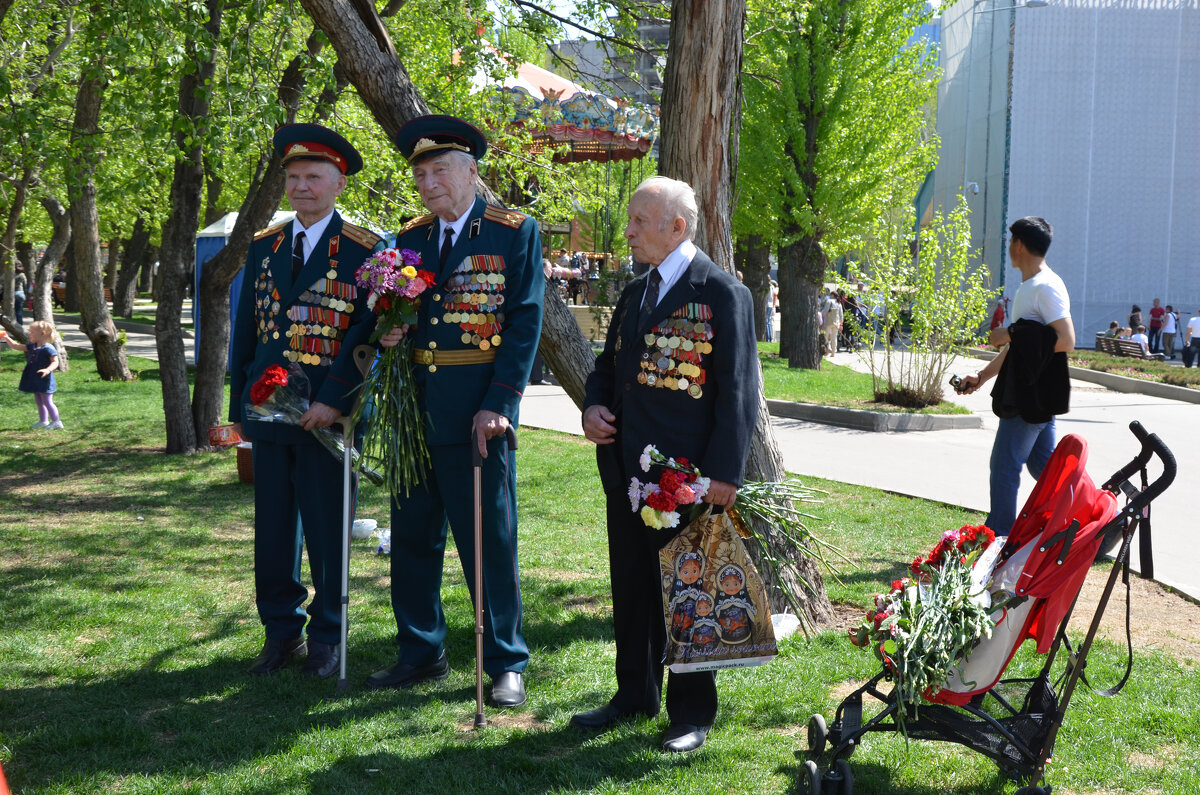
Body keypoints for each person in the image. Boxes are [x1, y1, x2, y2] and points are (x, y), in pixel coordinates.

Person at [575, 176, 758, 753]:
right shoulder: (635, 292)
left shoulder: (722, 293)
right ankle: (634, 694)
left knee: (688, 592)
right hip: (628, 472)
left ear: (677, 227)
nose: (627, 230)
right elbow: (608, 367)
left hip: (688, 479)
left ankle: (691, 714)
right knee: (630, 587)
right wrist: (593, 405)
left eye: (638, 220)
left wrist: (726, 473)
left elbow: (738, 391)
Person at [366, 115, 543, 710]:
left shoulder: (511, 232)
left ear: (472, 172)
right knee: (413, 538)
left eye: (439, 170)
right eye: (420, 173)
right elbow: (392, 310)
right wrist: (388, 328)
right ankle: (420, 650)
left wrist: (500, 404)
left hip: (477, 415)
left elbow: (522, 322)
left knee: (486, 540)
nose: (428, 182)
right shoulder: (409, 237)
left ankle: (505, 661)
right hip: (416, 413)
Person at [227, 123, 383, 679]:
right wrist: (238, 410)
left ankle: (328, 638)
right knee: (273, 531)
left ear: (338, 184)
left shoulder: (367, 250)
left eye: (313, 178)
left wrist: (336, 402)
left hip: (328, 419)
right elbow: (246, 328)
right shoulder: (267, 245)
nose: (301, 188)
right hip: (268, 413)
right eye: (293, 178)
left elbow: (367, 334)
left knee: (325, 528)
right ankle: (280, 632)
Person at [958, 217, 1074, 537]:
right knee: (1046, 469)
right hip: (1036, 396)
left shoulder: (1045, 287)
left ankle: (997, 539)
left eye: (1010, 243)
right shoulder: (1030, 287)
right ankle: (1091, 520)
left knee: (1005, 467)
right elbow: (1021, 348)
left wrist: (1010, 332)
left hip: (1029, 397)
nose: (1009, 249)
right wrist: (981, 376)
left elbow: (1065, 340)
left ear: (1018, 245)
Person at [5, 320, 63, 429]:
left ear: (42, 333)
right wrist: (7, 338)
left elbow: (55, 362)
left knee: (47, 401)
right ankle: (43, 421)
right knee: (39, 400)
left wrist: (48, 370)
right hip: (35, 379)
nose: (29, 334)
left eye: (32, 332)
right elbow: (16, 346)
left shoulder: (48, 348)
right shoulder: (33, 346)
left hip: (45, 379)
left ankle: (57, 422)